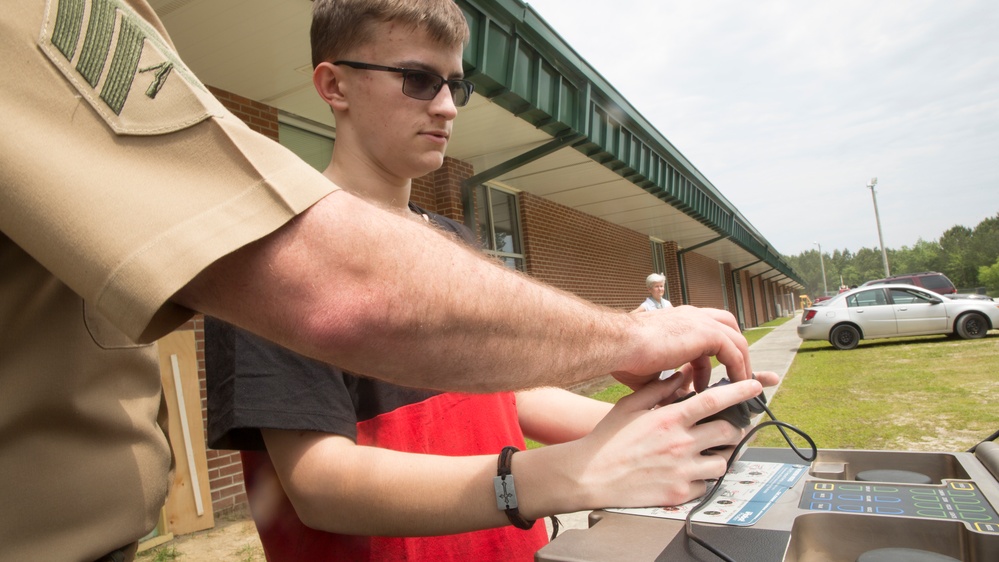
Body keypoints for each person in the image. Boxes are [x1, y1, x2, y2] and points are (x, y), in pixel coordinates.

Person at [1, 2, 769, 560]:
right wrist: (551, 477)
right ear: (332, 87)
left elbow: (508, 396)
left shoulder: (454, 243)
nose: (445, 107)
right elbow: (321, 486)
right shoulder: (279, 258)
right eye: (415, 80)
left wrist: (677, 422)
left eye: (454, 86)